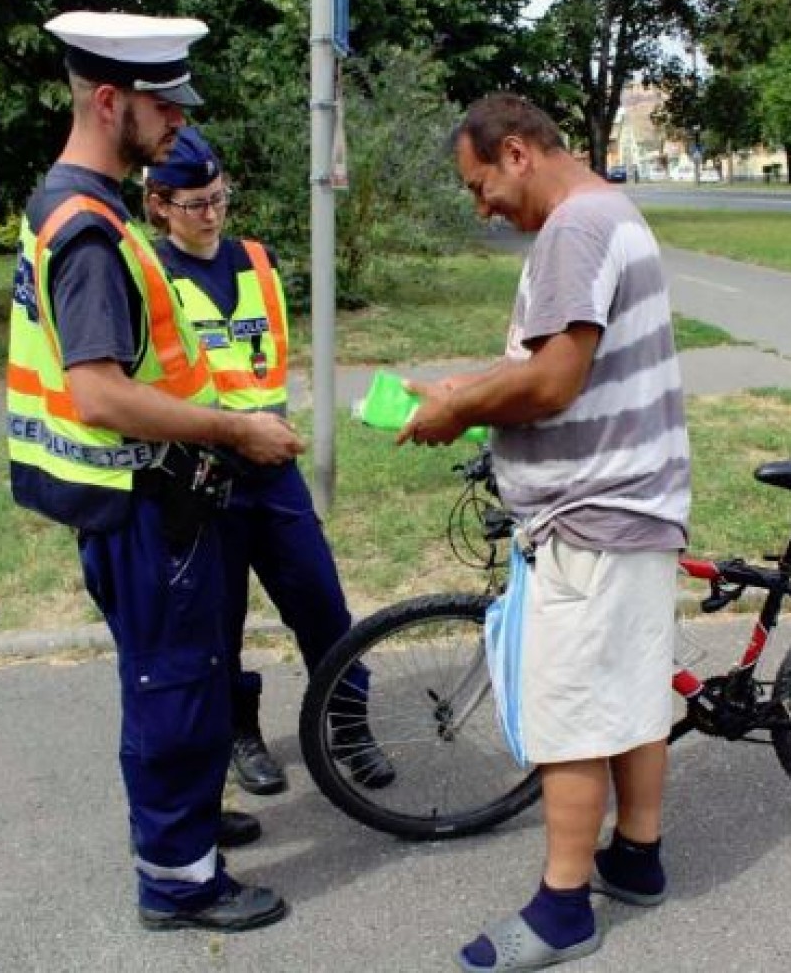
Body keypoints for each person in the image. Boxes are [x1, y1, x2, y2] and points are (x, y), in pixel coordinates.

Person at [6, 10, 301, 933]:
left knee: (169, 676)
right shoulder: (91, 231)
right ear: (108, 100)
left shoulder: (75, 202)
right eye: (163, 106)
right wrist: (231, 429)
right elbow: (98, 394)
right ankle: (179, 882)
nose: (179, 124)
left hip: (129, 499)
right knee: (172, 686)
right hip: (141, 501)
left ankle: (192, 830)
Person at [399, 93, 691, 971]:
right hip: (634, 504)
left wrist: (459, 407)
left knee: (569, 715)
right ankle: (636, 857)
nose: (480, 204)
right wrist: (473, 388)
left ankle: (564, 908)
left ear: (518, 153)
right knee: (633, 693)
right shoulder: (611, 212)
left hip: (590, 514)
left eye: (479, 182)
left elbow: (556, 380)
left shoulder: (573, 228)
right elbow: (543, 363)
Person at [142, 127, 394, 795]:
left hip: (273, 475)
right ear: (160, 203)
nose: (212, 213)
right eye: (196, 202)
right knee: (217, 624)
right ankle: (240, 734)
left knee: (321, 605)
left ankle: (347, 724)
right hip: (202, 481)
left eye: (219, 197)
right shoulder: (149, 275)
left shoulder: (257, 259)